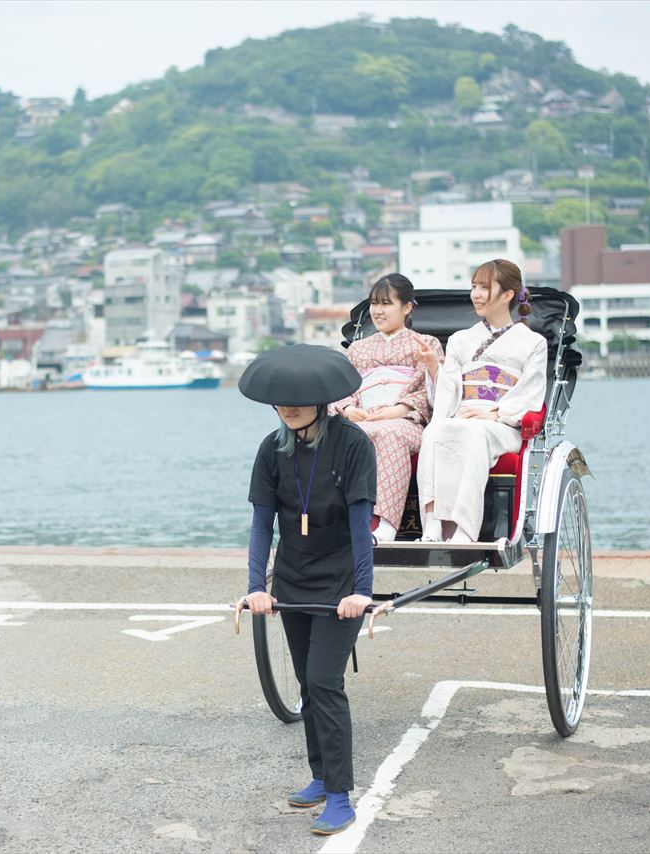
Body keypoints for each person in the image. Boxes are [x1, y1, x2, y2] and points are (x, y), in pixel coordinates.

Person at [236, 344, 388, 836]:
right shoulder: (270, 450)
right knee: (306, 681)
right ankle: (320, 776)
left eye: (300, 399)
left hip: (341, 580)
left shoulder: (352, 444)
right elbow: (262, 525)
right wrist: (256, 587)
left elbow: (362, 521)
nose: (290, 405)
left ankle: (341, 795)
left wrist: (363, 591)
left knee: (325, 681)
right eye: (281, 399)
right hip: (294, 579)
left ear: (322, 399)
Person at [415, 259, 548, 543]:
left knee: (474, 432)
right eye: (474, 286)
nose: (476, 293)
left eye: (484, 287)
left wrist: (496, 414)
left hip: (500, 424)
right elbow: (449, 388)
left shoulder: (533, 343)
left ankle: (464, 528)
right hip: (464, 414)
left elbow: (531, 392)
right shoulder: (461, 339)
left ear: (508, 295)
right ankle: (433, 525)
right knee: (435, 430)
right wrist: (433, 368)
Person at [329, 273, 444, 543]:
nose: (377, 311)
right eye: (373, 303)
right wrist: (348, 409)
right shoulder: (357, 349)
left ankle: (386, 525)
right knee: (338, 435)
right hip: (364, 418)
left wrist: (399, 409)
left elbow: (432, 391)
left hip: (406, 423)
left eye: (386, 304)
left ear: (406, 308)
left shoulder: (426, 344)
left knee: (388, 434)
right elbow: (342, 389)